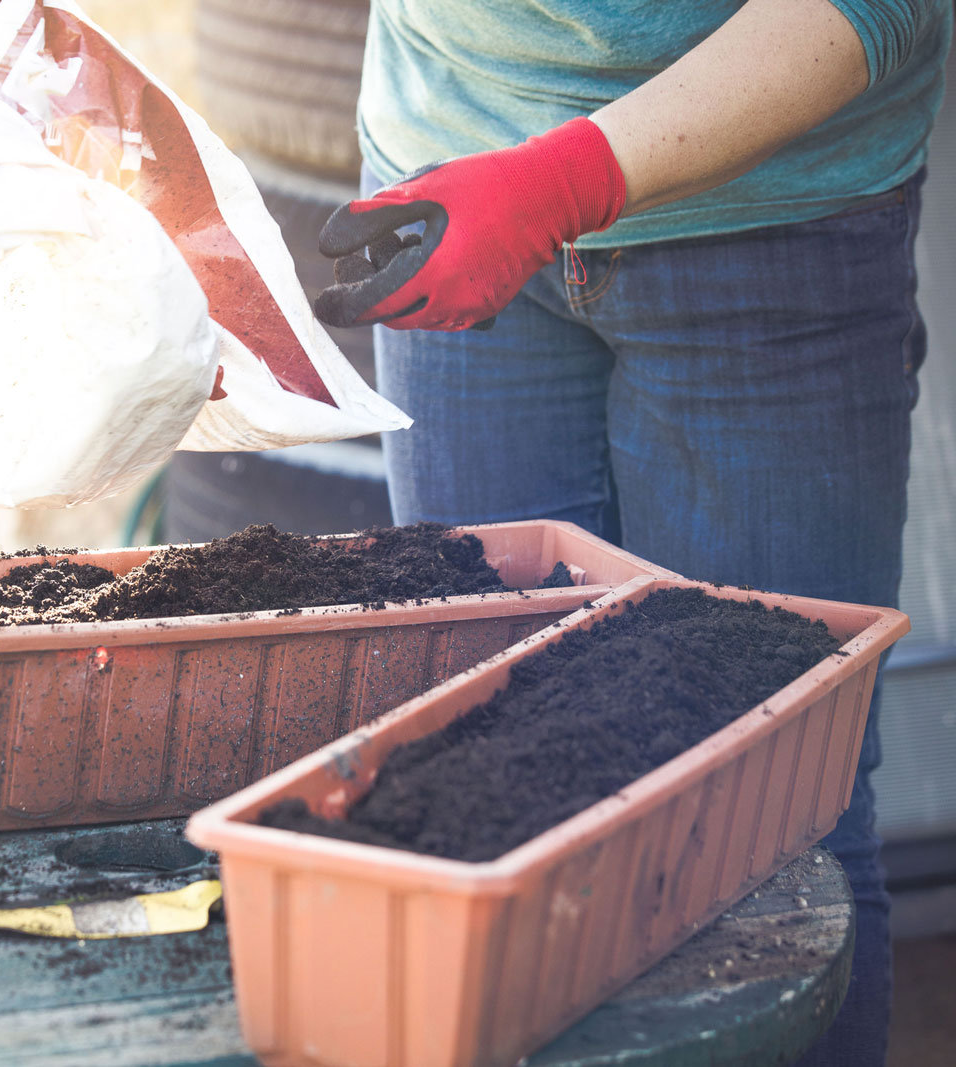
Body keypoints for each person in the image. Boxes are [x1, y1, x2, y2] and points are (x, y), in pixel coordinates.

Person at [312, 2, 951, 1063]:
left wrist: (553, 186)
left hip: (763, 233)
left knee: (778, 826)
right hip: (450, 176)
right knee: (481, 782)